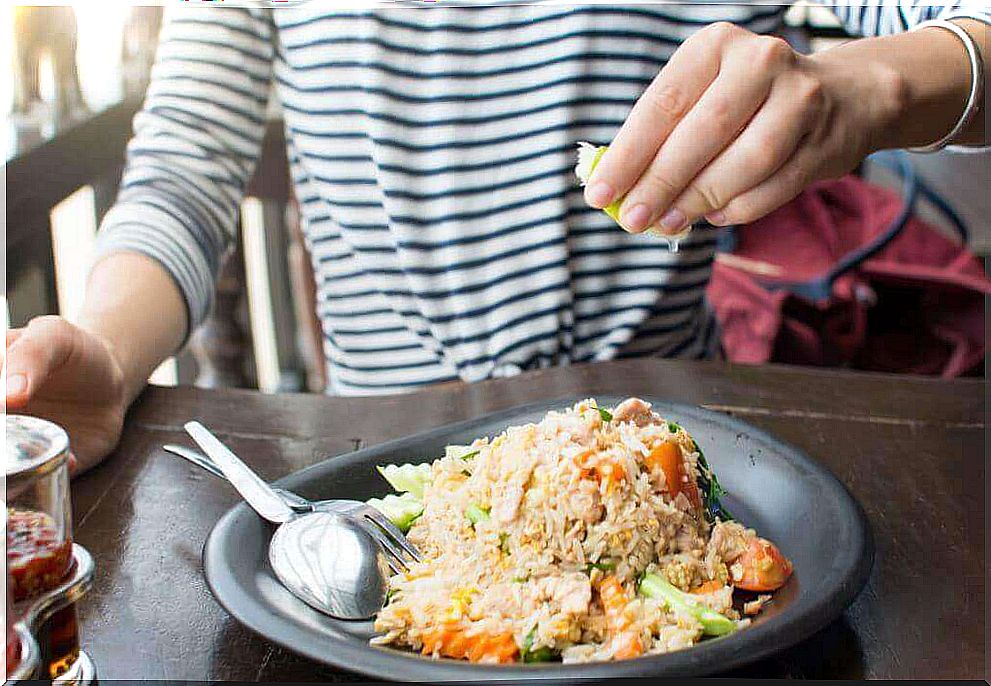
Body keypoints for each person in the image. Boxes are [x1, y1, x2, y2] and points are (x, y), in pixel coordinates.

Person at [4, 2, 988, 474]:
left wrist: (875, 84)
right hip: (371, 474)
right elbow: (184, 172)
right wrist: (105, 349)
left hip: (671, 457)